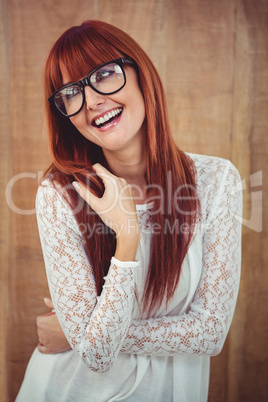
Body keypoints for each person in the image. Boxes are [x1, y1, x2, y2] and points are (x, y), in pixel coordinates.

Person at [16, 20, 242, 402]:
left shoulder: (217, 180)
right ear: (64, 115)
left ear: (141, 73)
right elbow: (97, 356)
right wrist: (127, 235)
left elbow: (210, 332)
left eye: (104, 74)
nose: (91, 102)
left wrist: (78, 334)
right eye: (71, 93)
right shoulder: (60, 193)